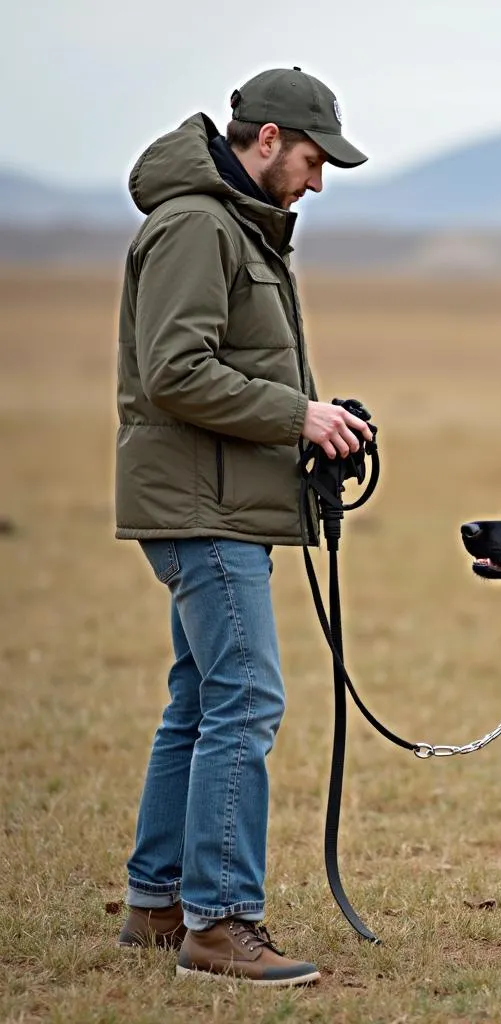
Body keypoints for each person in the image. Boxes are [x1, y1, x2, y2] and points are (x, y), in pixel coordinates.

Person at [113, 67, 375, 986]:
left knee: (197, 701)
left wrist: (312, 417)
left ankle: (157, 904)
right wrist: (296, 415)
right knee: (247, 701)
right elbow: (174, 371)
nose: (316, 180)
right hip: (201, 507)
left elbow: (226, 367)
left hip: (218, 497)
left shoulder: (234, 223)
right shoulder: (197, 224)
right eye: (310, 160)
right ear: (266, 139)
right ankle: (221, 923)